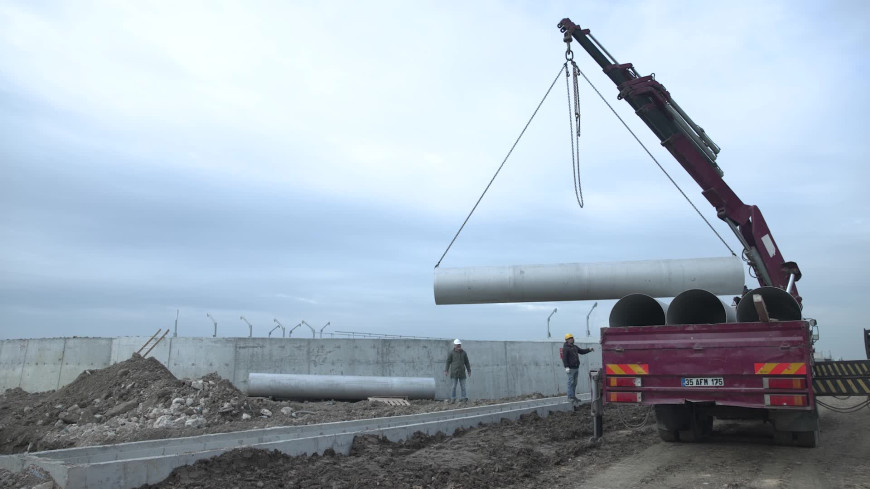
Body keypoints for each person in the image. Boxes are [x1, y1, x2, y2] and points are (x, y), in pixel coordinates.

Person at [562, 333, 594, 402]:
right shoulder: (566, 348)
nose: (572, 339)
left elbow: (582, 351)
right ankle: (570, 397)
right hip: (570, 368)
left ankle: (573, 396)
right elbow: (564, 358)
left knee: (574, 383)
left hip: (576, 367)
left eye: (572, 338)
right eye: (570, 338)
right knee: (570, 382)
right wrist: (566, 367)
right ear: (567, 340)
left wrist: (589, 349)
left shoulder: (575, 347)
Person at [444, 338, 471, 403]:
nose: (459, 346)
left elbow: (467, 362)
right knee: (453, 386)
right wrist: (446, 370)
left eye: (459, 345)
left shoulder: (464, 353)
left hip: (462, 373)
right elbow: (448, 362)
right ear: (455, 345)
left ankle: (463, 398)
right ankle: (453, 398)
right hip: (454, 373)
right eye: (457, 345)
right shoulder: (451, 353)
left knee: (463, 386)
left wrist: (469, 370)